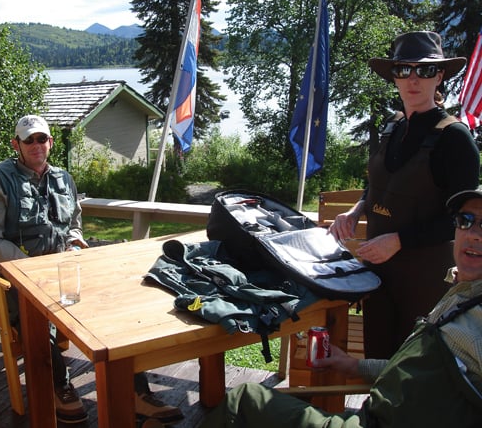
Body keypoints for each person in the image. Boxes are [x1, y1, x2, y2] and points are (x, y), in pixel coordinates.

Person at [199, 186, 482, 427]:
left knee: (244, 400)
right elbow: (413, 371)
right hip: (375, 414)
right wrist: (351, 364)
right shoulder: (462, 291)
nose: (474, 234)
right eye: (465, 220)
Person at [0, 115, 183, 425]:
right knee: (38, 320)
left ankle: (136, 392)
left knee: (115, 307)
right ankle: (60, 385)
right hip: (20, 276)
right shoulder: (0, 181)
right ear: (15, 145)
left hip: (66, 268)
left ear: (50, 142)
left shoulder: (63, 178)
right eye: (28, 140)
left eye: (41, 139)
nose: (36, 145)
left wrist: (75, 244)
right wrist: (32, 268)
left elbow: (73, 224)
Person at [328, 31, 480, 358]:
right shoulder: (392, 127)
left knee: (415, 372)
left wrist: (398, 241)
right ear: (394, 77)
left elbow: (462, 221)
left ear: (439, 76)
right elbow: (378, 185)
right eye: (403, 70)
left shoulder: (455, 139)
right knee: (376, 360)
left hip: (426, 281)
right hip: (377, 275)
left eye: (424, 71)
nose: (413, 79)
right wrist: (356, 211)